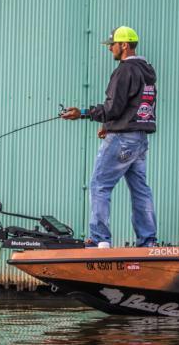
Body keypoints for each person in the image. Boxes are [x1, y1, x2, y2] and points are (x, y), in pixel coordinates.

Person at [62, 26, 158, 248]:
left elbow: (113, 107)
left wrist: (83, 113)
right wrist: (109, 125)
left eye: (112, 44)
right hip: (140, 138)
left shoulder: (125, 70)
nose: (110, 49)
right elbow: (133, 106)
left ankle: (99, 240)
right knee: (140, 189)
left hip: (122, 139)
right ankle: (148, 242)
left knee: (99, 185)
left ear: (124, 45)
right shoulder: (147, 71)